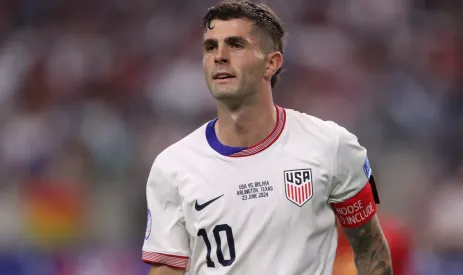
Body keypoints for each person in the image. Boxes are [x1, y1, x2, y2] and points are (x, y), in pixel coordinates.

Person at [142, 1, 393, 274]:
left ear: (271, 63)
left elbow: (371, 251)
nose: (220, 56)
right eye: (210, 47)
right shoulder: (172, 167)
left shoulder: (331, 146)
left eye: (236, 45)